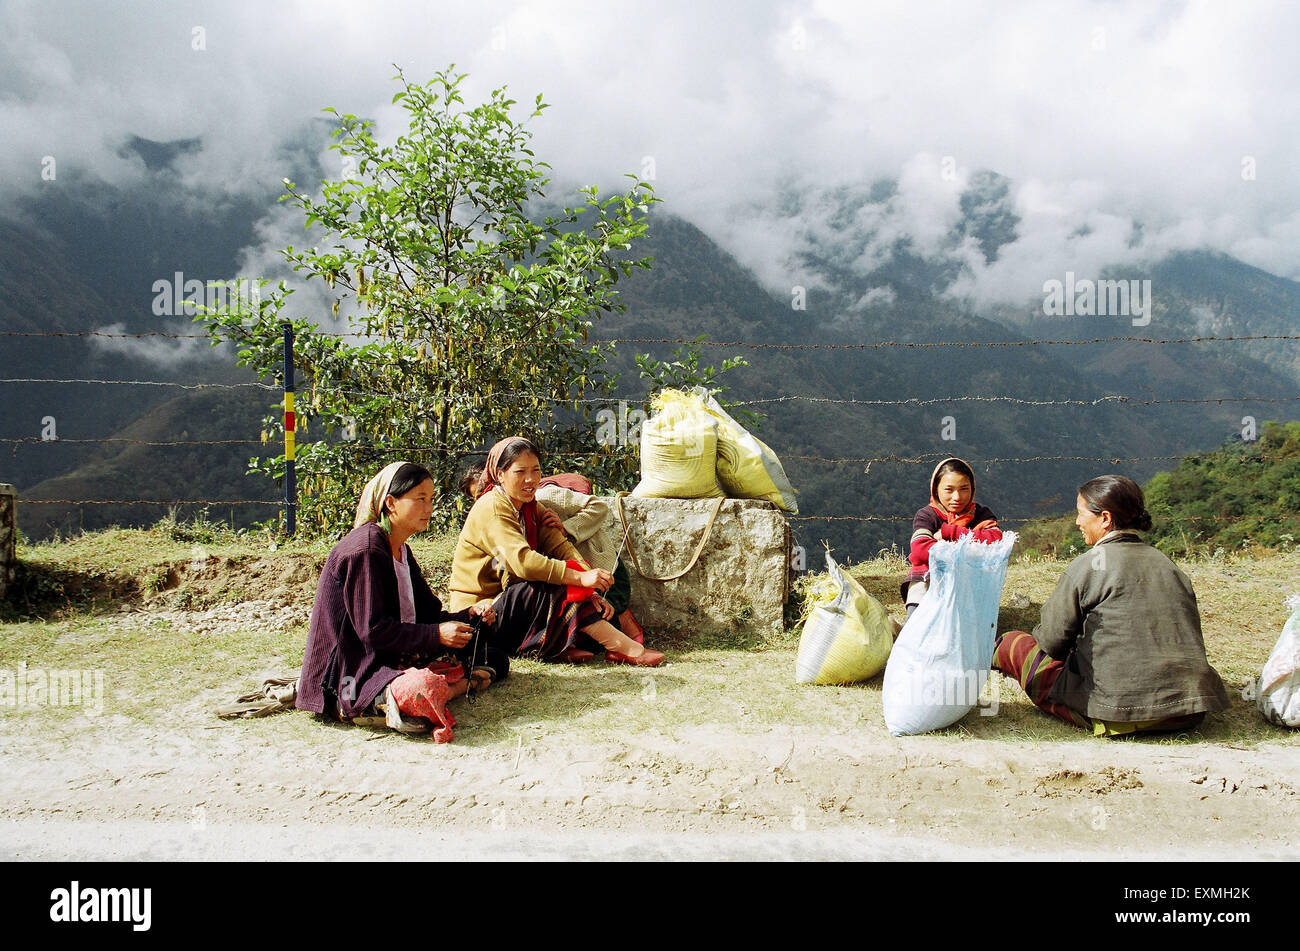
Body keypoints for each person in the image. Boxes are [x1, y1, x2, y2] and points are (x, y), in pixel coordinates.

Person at [993, 474, 1230, 737]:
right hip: (1189, 712)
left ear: (1105, 519)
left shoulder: (1087, 566)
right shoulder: (1167, 564)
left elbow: (1050, 643)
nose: (1077, 522)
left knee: (1012, 643)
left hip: (1119, 713)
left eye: (1081, 513)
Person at [296, 461, 509, 741]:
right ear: (391, 503)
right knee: (422, 687)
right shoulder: (367, 550)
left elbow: (429, 614)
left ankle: (449, 688)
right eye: (420, 499)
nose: (428, 508)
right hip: (355, 669)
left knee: (494, 656)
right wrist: (436, 635)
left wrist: (469, 616)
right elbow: (372, 631)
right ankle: (392, 699)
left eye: (431, 499)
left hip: (397, 655)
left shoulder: (401, 550)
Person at [449, 436, 665, 667]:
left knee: (571, 592)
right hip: (481, 615)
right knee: (547, 584)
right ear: (500, 475)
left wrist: (589, 589)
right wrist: (579, 577)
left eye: (536, 470)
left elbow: (561, 547)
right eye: (520, 472)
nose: (530, 479)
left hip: (510, 605)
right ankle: (622, 647)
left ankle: (558, 647)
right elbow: (523, 562)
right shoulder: (492, 507)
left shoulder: (531, 507)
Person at [900, 457, 1002, 619]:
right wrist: (968, 547)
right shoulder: (927, 515)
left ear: (972, 488)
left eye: (964, 489)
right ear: (936, 489)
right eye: (949, 490)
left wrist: (949, 533)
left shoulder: (981, 514)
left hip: (969, 581)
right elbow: (920, 550)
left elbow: (995, 540)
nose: (957, 497)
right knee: (917, 622)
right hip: (929, 578)